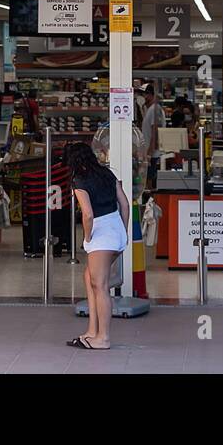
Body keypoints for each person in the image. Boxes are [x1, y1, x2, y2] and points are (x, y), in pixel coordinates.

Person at [66, 141, 130, 351]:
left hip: (101, 233)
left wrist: (87, 238)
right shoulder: (107, 174)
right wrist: (124, 232)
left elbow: (88, 214)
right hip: (116, 229)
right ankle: (92, 331)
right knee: (89, 278)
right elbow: (125, 205)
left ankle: (103, 338)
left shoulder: (79, 180)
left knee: (100, 286)